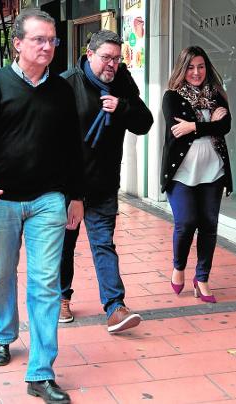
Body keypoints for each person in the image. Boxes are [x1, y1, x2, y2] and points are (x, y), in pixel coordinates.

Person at [0, 8, 83, 403]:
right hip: (0, 200)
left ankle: (41, 372)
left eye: (53, 40)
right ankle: (2, 335)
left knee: (46, 283)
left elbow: (73, 149)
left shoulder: (62, 90)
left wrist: (76, 195)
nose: (48, 46)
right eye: (39, 39)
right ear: (17, 43)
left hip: (48, 200)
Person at [58, 30, 153, 331]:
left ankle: (115, 307)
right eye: (106, 58)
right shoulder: (66, 84)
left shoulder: (123, 83)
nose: (112, 65)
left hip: (103, 183)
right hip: (68, 185)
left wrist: (121, 107)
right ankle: (61, 297)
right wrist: (69, 190)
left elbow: (145, 122)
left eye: (116, 59)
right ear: (89, 55)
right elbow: (54, 140)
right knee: (64, 245)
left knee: (104, 244)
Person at [160, 46, 233, 303]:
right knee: (186, 222)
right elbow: (177, 129)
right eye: (190, 67)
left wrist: (196, 126)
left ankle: (202, 278)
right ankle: (178, 267)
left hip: (213, 171)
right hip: (182, 174)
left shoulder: (217, 95)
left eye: (200, 66)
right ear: (183, 69)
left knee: (209, 226)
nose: (196, 72)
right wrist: (206, 124)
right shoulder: (171, 97)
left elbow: (226, 125)